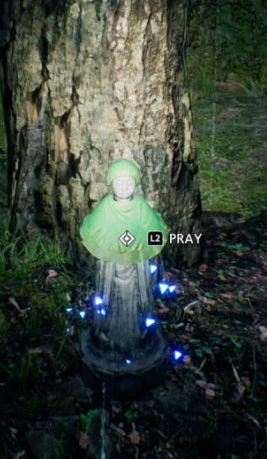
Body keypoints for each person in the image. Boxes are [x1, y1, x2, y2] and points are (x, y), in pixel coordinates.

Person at [79, 159, 167, 377]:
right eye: (120, 182)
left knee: (136, 306)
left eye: (129, 182)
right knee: (109, 305)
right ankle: (107, 335)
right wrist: (111, 246)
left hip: (136, 273)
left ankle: (139, 335)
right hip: (112, 273)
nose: (125, 186)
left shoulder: (141, 208)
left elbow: (155, 233)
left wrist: (143, 244)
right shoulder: (105, 209)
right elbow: (94, 231)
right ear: (111, 184)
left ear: (135, 184)